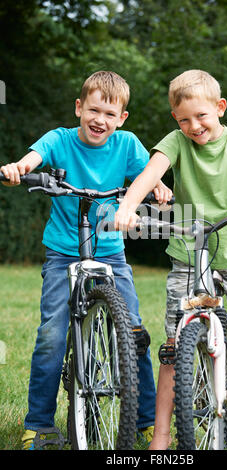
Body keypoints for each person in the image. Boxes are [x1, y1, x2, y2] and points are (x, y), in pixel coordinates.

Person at [114, 69, 227, 450]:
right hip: (188, 253)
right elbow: (149, 175)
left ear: (220, 108)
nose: (194, 126)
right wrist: (129, 206)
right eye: (184, 119)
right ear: (176, 121)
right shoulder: (176, 142)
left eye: (202, 116)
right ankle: (160, 438)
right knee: (173, 347)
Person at [1, 70, 172, 450]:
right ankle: (39, 423)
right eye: (94, 110)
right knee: (51, 335)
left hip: (110, 252)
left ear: (122, 118)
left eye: (110, 114)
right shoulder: (60, 140)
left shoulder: (127, 145)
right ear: (79, 108)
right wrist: (19, 169)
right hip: (63, 252)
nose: (101, 120)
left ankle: (144, 419)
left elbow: (148, 175)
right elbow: (33, 158)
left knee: (134, 333)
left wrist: (157, 186)